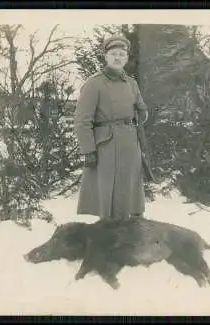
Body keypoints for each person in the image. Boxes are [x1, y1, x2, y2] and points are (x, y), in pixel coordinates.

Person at [74, 35, 149, 221]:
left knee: (130, 193)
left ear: (126, 58)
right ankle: (108, 234)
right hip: (106, 146)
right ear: (106, 57)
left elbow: (142, 111)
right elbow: (82, 121)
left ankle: (130, 234)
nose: (118, 58)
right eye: (113, 54)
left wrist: (140, 112)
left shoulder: (132, 83)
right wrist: (88, 150)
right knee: (108, 195)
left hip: (131, 144)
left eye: (122, 54)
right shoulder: (94, 84)